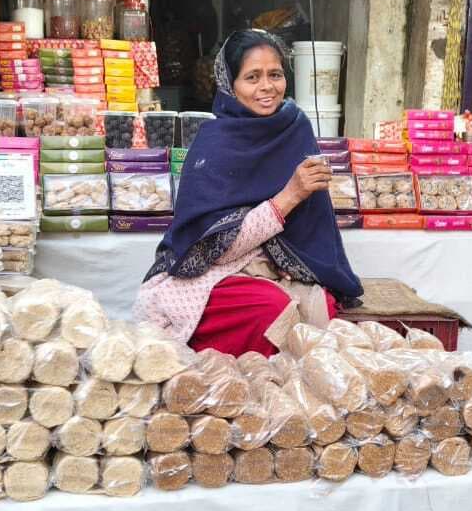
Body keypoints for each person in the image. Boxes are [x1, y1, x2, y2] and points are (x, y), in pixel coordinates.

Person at [134, 29, 364, 357]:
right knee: (272, 310)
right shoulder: (214, 144)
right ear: (230, 85)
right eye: (252, 77)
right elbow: (212, 250)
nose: (267, 87)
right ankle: (243, 374)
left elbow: (313, 225)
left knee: (321, 307)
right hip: (214, 272)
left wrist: (287, 260)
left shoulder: (295, 126)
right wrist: (289, 196)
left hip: (274, 269)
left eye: (275, 75)